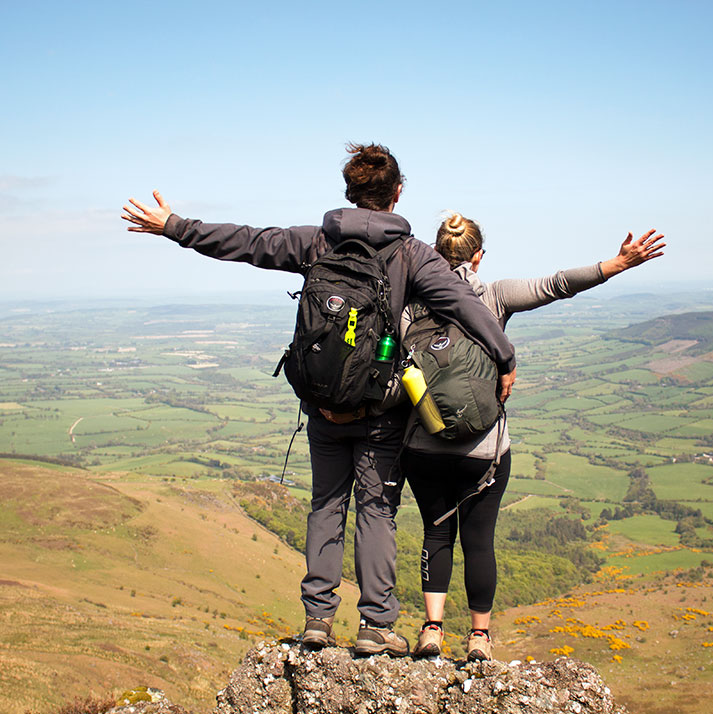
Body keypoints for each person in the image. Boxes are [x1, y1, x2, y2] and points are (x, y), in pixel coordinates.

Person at [121, 145, 517, 657]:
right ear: (397, 193)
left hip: (322, 405)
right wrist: (505, 358)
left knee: (326, 504)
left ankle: (317, 620)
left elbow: (245, 243)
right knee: (376, 509)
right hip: (379, 410)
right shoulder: (411, 255)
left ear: (349, 193)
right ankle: (376, 624)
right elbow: (464, 305)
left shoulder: (317, 241)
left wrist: (175, 225)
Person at [405, 212, 665, 661]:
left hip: (423, 443)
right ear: (479, 256)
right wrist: (618, 264)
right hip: (483, 448)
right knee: (479, 540)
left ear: (435, 253)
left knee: (436, 533)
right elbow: (557, 283)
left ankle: (432, 629)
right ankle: (479, 637)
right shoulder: (493, 295)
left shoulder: (411, 301)